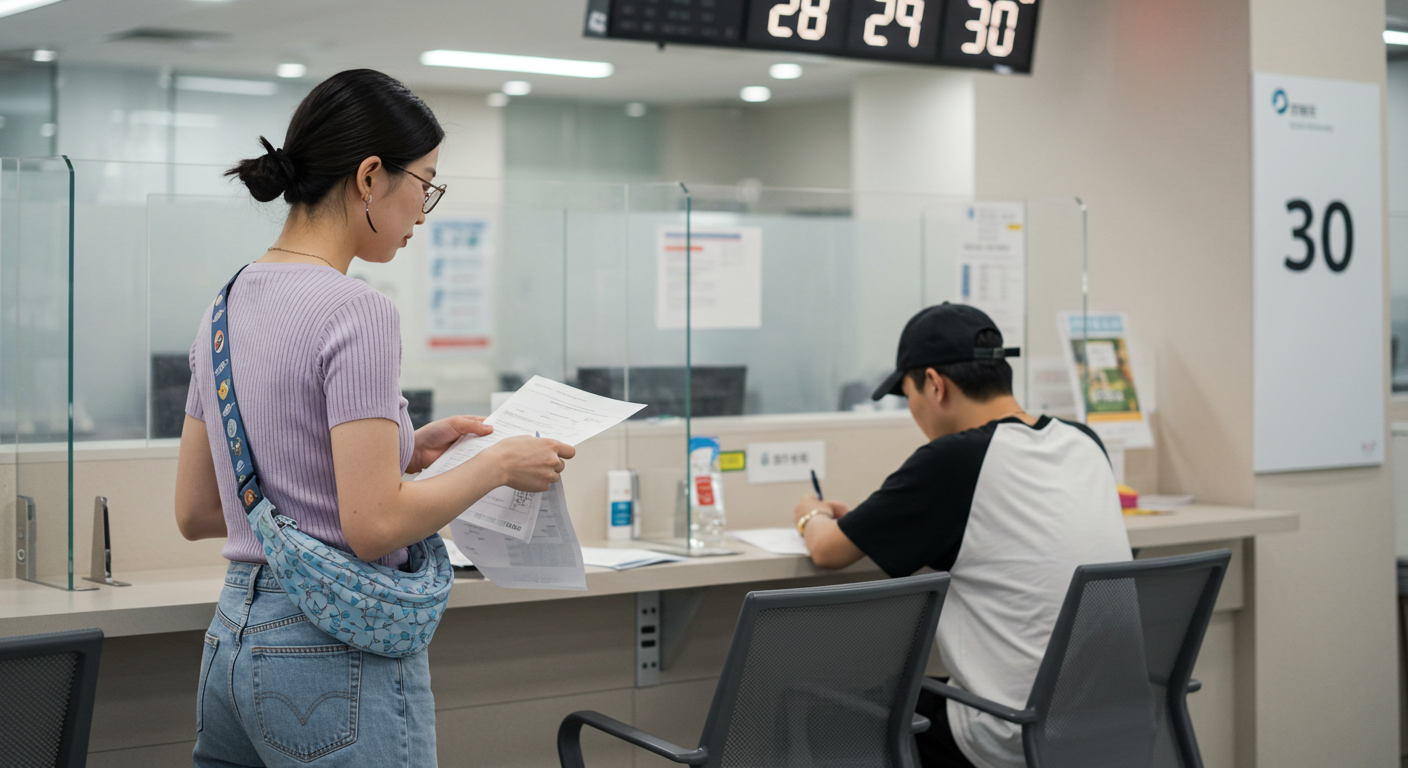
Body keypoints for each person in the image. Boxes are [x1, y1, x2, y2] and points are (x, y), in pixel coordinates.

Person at [173, 69, 574, 768]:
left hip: (233, 642)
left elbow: (199, 510)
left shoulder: (223, 305)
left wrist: (405, 452)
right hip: (330, 661)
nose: (425, 210)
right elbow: (373, 527)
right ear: (369, 177)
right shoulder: (356, 309)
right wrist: (496, 466)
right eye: (425, 183)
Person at [792, 303, 1132, 768]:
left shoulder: (955, 460)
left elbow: (828, 551)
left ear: (934, 384)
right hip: (1109, 719)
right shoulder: (1084, 442)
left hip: (1012, 732)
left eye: (908, 394)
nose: (913, 410)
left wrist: (808, 513)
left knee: (830, 716)